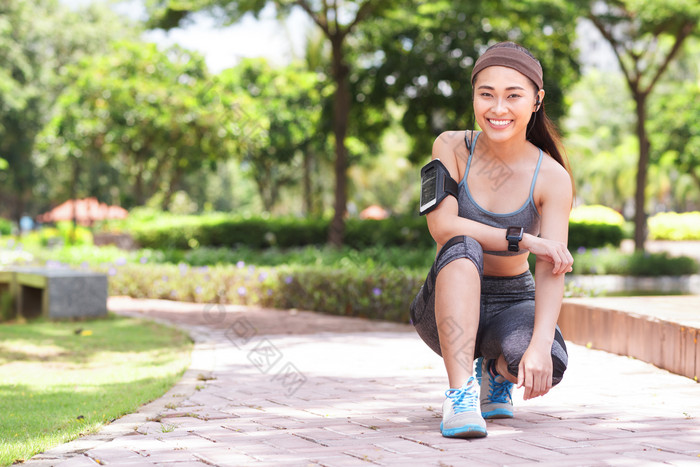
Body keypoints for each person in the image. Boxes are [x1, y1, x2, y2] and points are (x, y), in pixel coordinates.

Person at [410, 41, 574, 439]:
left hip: (512, 300)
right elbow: (443, 227)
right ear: (474, 97)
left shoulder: (552, 176)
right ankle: (460, 394)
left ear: (536, 101)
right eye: (486, 94)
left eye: (513, 96)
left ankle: (494, 372)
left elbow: (553, 268)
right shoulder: (450, 146)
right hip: (445, 306)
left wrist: (536, 346)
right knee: (463, 244)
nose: (498, 109)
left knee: (547, 360)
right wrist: (524, 240)